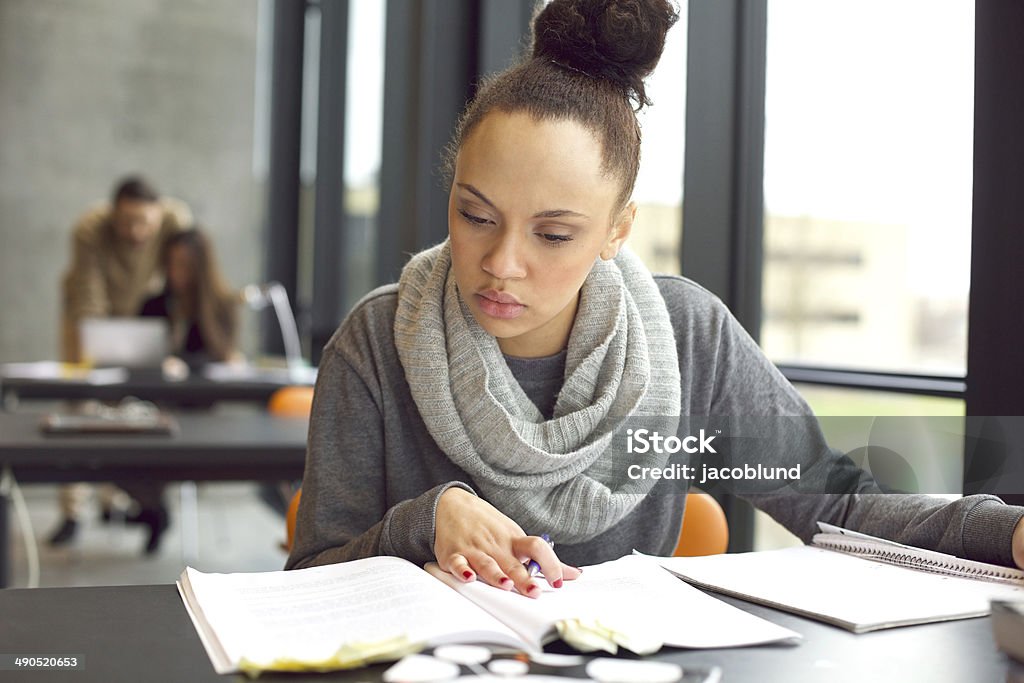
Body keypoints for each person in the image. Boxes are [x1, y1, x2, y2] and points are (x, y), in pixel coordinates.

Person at [287, 0, 1024, 597]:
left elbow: (838, 507)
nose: (501, 263)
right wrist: (426, 520)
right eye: (475, 214)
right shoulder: (379, 340)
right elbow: (307, 581)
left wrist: (1011, 534)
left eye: (554, 234)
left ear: (617, 230)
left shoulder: (685, 333)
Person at [50, 176, 191, 546]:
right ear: (113, 214)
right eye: (128, 222)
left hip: (137, 321)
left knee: (126, 409)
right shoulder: (90, 229)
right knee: (79, 405)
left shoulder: (177, 220)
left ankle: (115, 502)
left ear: (160, 213)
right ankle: (72, 512)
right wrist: (100, 351)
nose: (137, 231)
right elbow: (88, 295)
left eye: (145, 222)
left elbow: (188, 272)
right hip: (88, 322)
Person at [122, 228, 241, 554]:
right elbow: (137, 356)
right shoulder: (153, 304)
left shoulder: (220, 305)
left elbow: (222, 355)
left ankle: (151, 509)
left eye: (185, 264)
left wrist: (184, 364)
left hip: (198, 407)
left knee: (159, 443)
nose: (177, 272)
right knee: (121, 444)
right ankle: (153, 507)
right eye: (172, 263)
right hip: (154, 403)